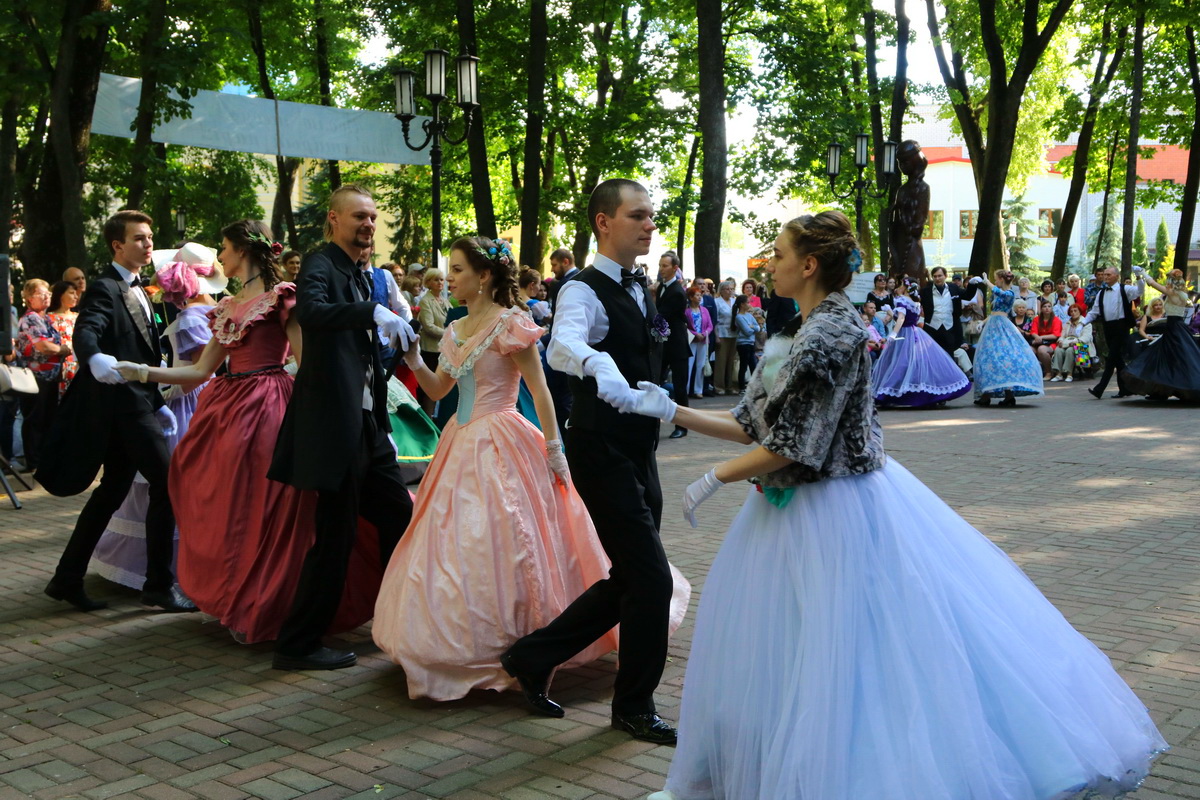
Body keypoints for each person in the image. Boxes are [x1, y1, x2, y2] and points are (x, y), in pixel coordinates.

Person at [612, 211, 1166, 800]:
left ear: (808, 265)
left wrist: (711, 478)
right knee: (793, 647)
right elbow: (754, 423)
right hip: (788, 512)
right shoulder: (795, 331)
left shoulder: (833, 334)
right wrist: (672, 410)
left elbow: (797, 444)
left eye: (776, 253)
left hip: (837, 509)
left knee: (851, 649)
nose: (766, 263)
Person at [373, 237, 685, 700]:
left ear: (483, 277)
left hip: (505, 439)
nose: (450, 277)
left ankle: (529, 642)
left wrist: (555, 449)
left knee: (516, 539)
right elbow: (439, 391)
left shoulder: (511, 325)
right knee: (457, 543)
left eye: (457, 269)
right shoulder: (456, 329)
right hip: (460, 442)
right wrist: (415, 356)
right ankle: (465, 642)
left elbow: (541, 393)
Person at [500, 178, 690, 745]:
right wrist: (597, 365)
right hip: (599, 446)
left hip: (639, 446)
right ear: (604, 222)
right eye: (637, 216)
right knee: (651, 580)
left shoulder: (644, 286)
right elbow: (562, 346)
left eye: (651, 216)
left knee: (632, 576)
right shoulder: (580, 288)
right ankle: (633, 706)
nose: (649, 225)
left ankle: (532, 657)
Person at [268, 184, 417, 670]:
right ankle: (297, 644)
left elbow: (364, 357)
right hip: (335, 428)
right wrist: (369, 311)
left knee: (399, 515)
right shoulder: (320, 263)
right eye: (358, 217)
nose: (368, 225)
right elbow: (310, 312)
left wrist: (383, 414)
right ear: (333, 220)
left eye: (372, 218)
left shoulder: (359, 272)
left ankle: (403, 618)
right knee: (335, 537)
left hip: (367, 428)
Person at [36, 210, 194, 613]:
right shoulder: (105, 287)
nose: (148, 244)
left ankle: (66, 578)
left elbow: (143, 350)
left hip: (138, 404)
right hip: (122, 406)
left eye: (150, 237)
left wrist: (158, 403)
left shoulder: (144, 289)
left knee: (111, 492)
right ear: (117, 245)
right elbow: (86, 329)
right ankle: (159, 584)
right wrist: (93, 358)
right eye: (138, 238)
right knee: (167, 483)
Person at [93, 244, 222, 590]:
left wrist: (159, 385)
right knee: (179, 487)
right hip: (201, 404)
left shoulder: (193, 319)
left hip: (194, 403)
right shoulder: (207, 316)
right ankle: (173, 574)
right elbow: (199, 373)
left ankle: (170, 573)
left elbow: (193, 374)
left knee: (175, 487)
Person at [872, 279, 971, 408]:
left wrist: (894, 333)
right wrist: (891, 312)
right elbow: (906, 317)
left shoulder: (902, 301)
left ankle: (897, 393)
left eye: (901, 285)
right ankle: (918, 390)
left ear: (905, 288)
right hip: (915, 332)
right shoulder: (916, 303)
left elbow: (901, 319)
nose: (898, 288)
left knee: (900, 362)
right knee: (915, 362)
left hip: (904, 334)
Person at [15, 279, 67, 472]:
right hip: (34, 377)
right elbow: (43, 346)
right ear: (29, 298)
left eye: (48, 294)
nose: (47, 297)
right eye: (41, 294)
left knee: (49, 418)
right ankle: (34, 462)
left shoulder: (46, 318)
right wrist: (62, 349)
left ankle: (46, 460)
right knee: (35, 419)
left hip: (51, 376)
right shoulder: (30, 318)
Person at [971, 270, 1044, 406]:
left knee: (1004, 356)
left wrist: (987, 282)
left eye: (996, 279)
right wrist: (983, 322)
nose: (996, 282)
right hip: (993, 325)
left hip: (1002, 327)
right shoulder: (998, 292)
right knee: (988, 357)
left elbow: (1001, 294)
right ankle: (986, 394)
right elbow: (994, 312)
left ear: (1002, 280)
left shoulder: (1010, 294)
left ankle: (1008, 395)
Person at [1124, 270, 1200, 401]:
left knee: (1167, 358)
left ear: (1171, 281)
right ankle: (1164, 390)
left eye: (1168, 280)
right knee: (1176, 358)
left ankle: (1166, 390)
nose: (1166, 283)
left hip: (1174, 328)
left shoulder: (1172, 293)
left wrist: (1143, 273)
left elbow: (1152, 283)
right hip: (1177, 327)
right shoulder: (1183, 294)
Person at [1082, 265, 1145, 399]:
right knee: (1118, 360)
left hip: (1121, 326)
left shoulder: (1125, 289)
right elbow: (1094, 312)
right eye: (1104, 275)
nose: (1105, 277)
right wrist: (1083, 323)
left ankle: (1100, 389)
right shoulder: (1101, 292)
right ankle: (1125, 389)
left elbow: (1140, 290)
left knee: (1111, 358)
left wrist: (1139, 276)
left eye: (1108, 275)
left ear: (1117, 276)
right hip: (1108, 327)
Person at [656, 251, 690, 438]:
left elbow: (661, 314)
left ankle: (682, 426)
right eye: (660, 265)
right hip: (664, 344)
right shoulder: (663, 287)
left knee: (679, 386)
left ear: (675, 268)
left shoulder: (676, 291)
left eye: (665, 266)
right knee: (655, 382)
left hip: (676, 345)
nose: (661, 269)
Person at [416, 268, 448, 414]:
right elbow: (428, 326)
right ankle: (428, 419)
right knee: (430, 389)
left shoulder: (445, 300)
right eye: (436, 279)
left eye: (441, 279)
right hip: (431, 350)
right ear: (428, 282)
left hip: (444, 349)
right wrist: (449, 334)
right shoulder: (425, 301)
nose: (440, 282)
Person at [46, 281, 80, 398]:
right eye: (71, 293)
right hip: (58, 366)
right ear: (60, 295)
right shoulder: (48, 318)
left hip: (77, 364)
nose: (76, 296)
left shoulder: (79, 317)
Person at [1049, 303, 1095, 382]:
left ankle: (1069, 374)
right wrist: (1060, 341)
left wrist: (1075, 341)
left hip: (1081, 345)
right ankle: (1058, 374)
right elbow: (1062, 335)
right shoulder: (1067, 323)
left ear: (1079, 312)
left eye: (1075, 311)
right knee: (1058, 349)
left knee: (1070, 350)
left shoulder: (1086, 323)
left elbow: (1086, 338)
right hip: (1067, 342)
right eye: (1071, 311)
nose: (1073, 313)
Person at [684, 286, 713, 399]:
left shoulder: (704, 310)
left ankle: (698, 390)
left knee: (701, 365)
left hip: (703, 341)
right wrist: (696, 334)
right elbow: (685, 326)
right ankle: (685, 390)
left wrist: (705, 333)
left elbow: (710, 325)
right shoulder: (686, 311)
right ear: (691, 297)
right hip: (692, 340)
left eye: (700, 295)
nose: (699, 297)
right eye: (697, 295)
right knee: (688, 365)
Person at [711, 280, 737, 394]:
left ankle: (730, 386)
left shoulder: (734, 301)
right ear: (721, 291)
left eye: (731, 289)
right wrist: (716, 336)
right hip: (721, 333)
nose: (730, 291)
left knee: (731, 361)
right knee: (721, 361)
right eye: (727, 289)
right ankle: (719, 386)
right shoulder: (717, 302)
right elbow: (715, 320)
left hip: (733, 333)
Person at [732, 294, 760, 392]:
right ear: (742, 304)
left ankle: (754, 386)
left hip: (751, 343)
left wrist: (752, 327)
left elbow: (758, 327)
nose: (749, 304)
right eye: (747, 302)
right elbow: (747, 331)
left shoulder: (749, 315)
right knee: (744, 365)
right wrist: (752, 327)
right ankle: (741, 387)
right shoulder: (739, 317)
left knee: (753, 364)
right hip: (743, 344)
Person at [1029, 300, 1062, 377]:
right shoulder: (1036, 319)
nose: (1047, 308)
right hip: (1038, 342)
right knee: (1029, 349)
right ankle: (1033, 373)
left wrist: (1041, 337)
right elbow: (1033, 332)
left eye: (1049, 306)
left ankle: (1049, 372)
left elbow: (1055, 335)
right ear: (1041, 309)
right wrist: (1037, 337)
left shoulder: (1056, 320)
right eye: (1044, 306)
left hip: (1052, 343)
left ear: (1051, 309)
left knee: (1042, 349)